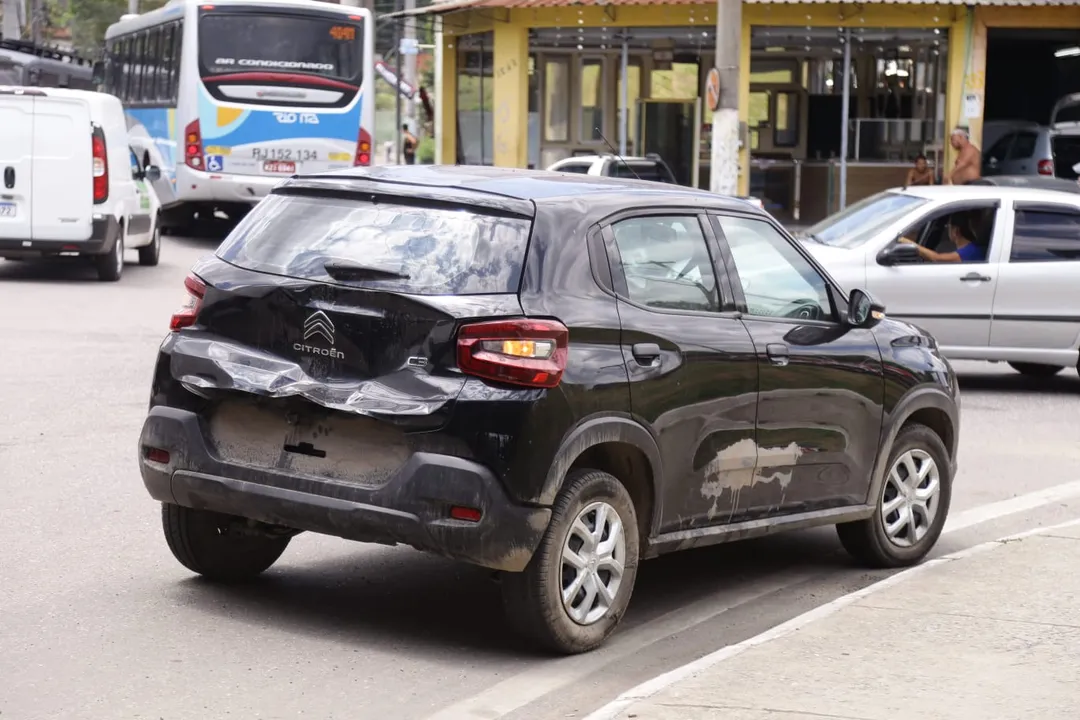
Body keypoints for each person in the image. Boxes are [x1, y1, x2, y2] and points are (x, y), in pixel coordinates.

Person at [899, 214, 984, 263]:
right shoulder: (974, 247)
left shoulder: (971, 251)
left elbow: (937, 258)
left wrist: (908, 243)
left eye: (948, 227)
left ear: (955, 231)